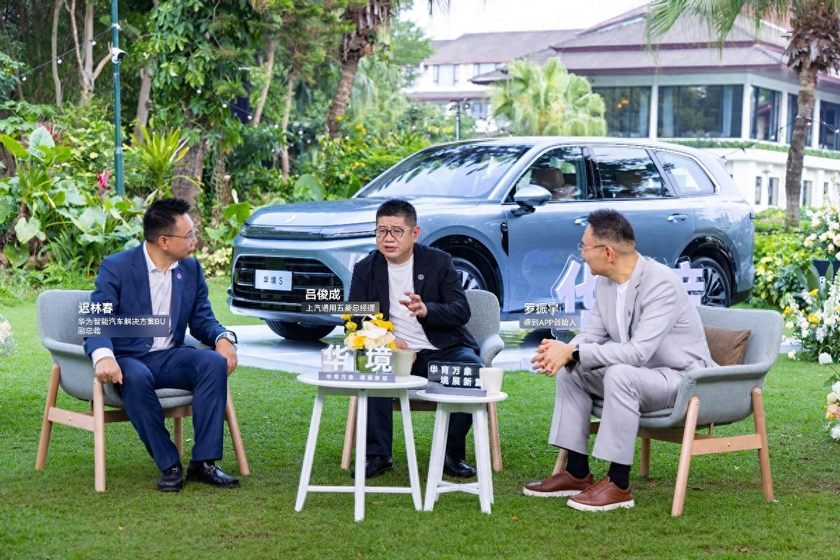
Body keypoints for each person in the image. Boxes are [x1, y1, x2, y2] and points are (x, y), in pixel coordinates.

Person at [523, 208, 715, 511]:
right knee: (573, 370)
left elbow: (639, 353)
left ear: (608, 252)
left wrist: (573, 352)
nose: (581, 254)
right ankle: (576, 472)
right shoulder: (606, 283)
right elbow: (593, 335)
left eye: (584, 247)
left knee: (619, 374)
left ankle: (619, 484)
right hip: (641, 376)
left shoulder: (661, 283)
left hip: (681, 379)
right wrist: (563, 351)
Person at [84, 198, 240, 492]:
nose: (195, 241)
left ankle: (204, 463)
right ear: (164, 241)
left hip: (170, 357)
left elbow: (203, 319)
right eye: (189, 235)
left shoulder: (190, 269)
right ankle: (169, 464)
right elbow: (95, 318)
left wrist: (223, 338)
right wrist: (103, 355)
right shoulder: (117, 267)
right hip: (128, 360)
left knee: (212, 362)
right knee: (136, 376)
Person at [348, 199, 482, 479]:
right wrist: (387, 339)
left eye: (396, 231)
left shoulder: (438, 262)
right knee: (374, 368)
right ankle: (377, 455)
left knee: (471, 370)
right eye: (381, 231)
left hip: (441, 350)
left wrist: (427, 310)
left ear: (415, 233)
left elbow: (461, 310)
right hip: (395, 355)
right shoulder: (366, 269)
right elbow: (355, 319)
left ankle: (450, 454)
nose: (388, 238)